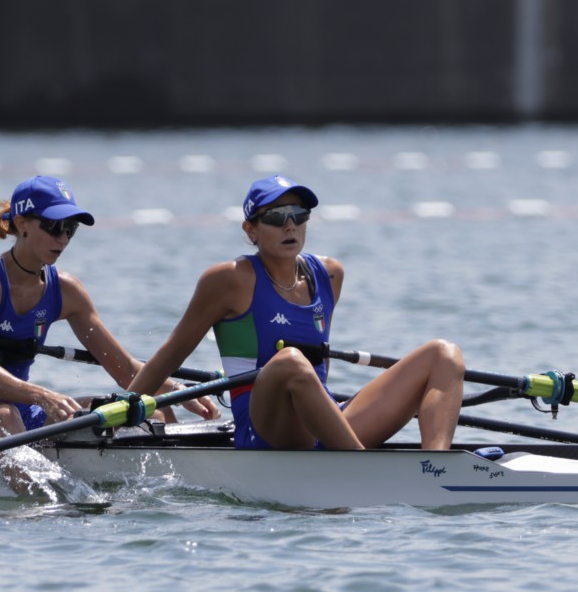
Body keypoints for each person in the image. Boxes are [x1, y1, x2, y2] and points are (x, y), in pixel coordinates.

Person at [127, 175, 464, 451]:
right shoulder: (229, 280)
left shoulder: (329, 274)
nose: (290, 226)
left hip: (322, 421)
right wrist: (125, 407)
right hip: (264, 428)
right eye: (275, 217)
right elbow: (172, 353)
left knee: (443, 353)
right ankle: (360, 468)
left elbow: (323, 363)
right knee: (290, 360)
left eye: (299, 215)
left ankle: (435, 468)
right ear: (251, 230)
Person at [0, 175, 219, 490]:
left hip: (24, 411)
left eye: (71, 229)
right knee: (5, 414)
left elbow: (124, 370)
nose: (63, 238)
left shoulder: (66, 290)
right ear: (22, 222)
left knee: (143, 410)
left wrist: (174, 392)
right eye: (54, 227)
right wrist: (44, 395)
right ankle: (42, 514)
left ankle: (156, 500)